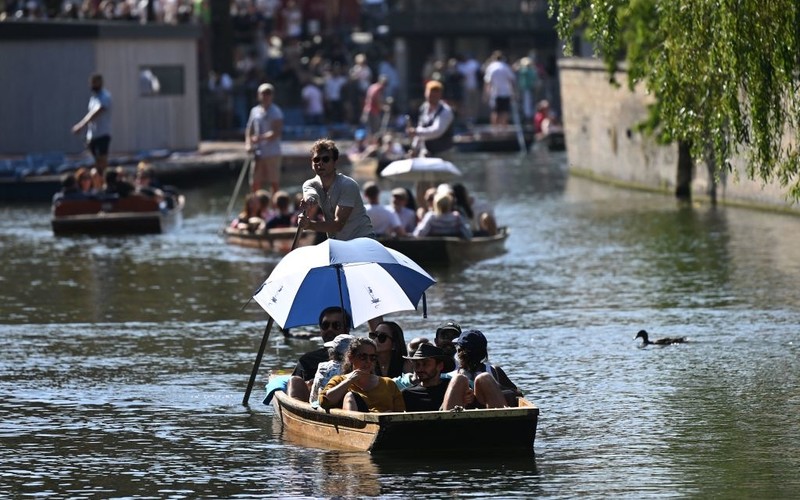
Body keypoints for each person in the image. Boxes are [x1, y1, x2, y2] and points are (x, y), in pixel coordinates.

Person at [297, 139, 375, 241]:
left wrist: (309, 225)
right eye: (316, 160)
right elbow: (311, 194)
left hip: (363, 240)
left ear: (334, 162)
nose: (320, 163)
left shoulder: (348, 185)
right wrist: (309, 201)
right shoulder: (309, 184)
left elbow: (338, 225)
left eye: (325, 159)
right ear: (312, 163)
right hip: (338, 242)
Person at [319, 337, 406, 413]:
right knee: (350, 396)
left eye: (372, 358)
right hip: (357, 429)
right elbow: (324, 401)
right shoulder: (339, 380)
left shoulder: (388, 383)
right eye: (363, 357)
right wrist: (349, 380)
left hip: (387, 428)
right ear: (351, 357)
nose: (368, 361)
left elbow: (400, 412)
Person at [442, 329, 524, 409]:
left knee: (484, 379)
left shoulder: (493, 372)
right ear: (484, 353)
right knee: (460, 379)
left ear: (459, 351)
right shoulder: (453, 378)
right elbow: (518, 394)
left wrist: (490, 391)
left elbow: (518, 395)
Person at [286, 307, 350, 401]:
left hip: (348, 401)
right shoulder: (307, 360)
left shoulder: (359, 357)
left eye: (336, 325)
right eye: (325, 325)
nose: (330, 329)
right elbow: (298, 387)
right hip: (314, 405)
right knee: (293, 381)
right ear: (320, 328)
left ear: (347, 329)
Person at [245, 83, 284, 194]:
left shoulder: (276, 112)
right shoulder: (254, 111)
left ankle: (275, 207)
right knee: (255, 182)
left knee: (274, 182)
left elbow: (276, 132)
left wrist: (260, 138)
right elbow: (249, 129)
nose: (266, 96)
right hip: (258, 153)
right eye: (263, 93)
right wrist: (248, 144)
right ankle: (256, 207)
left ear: (272, 96)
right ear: (258, 95)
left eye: (268, 93)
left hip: (272, 153)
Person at [71, 73, 112, 177]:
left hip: (102, 134)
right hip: (93, 135)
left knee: (102, 162)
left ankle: (103, 182)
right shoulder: (94, 98)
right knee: (94, 163)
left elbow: (97, 111)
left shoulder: (105, 96)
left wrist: (81, 124)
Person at [401, 343, 457, 411]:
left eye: (425, 364)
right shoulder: (407, 395)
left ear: (440, 366)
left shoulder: (452, 388)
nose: (420, 369)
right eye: (417, 364)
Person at [407, 80, 455, 157]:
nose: (432, 97)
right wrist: (414, 148)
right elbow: (421, 128)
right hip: (427, 153)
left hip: (443, 154)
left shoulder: (446, 111)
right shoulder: (424, 108)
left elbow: (437, 131)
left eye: (435, 95)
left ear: (440, 95)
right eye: (431, 95)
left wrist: (416, 132)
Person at [308, 333, 354, 404]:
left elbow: (314, 397)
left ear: (332, 352)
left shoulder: (323, 366)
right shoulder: (356, 369)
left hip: (319, 404)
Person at [483, 51, 517, 126]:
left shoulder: (491, 67)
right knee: (504, 112)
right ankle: (503, 129)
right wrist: (513, 92)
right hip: (506, 92)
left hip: (495, 93)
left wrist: (486, 94)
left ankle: (495, 130)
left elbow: (488, 82)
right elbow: (511, 80)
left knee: (495, 112)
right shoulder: (506, 67)